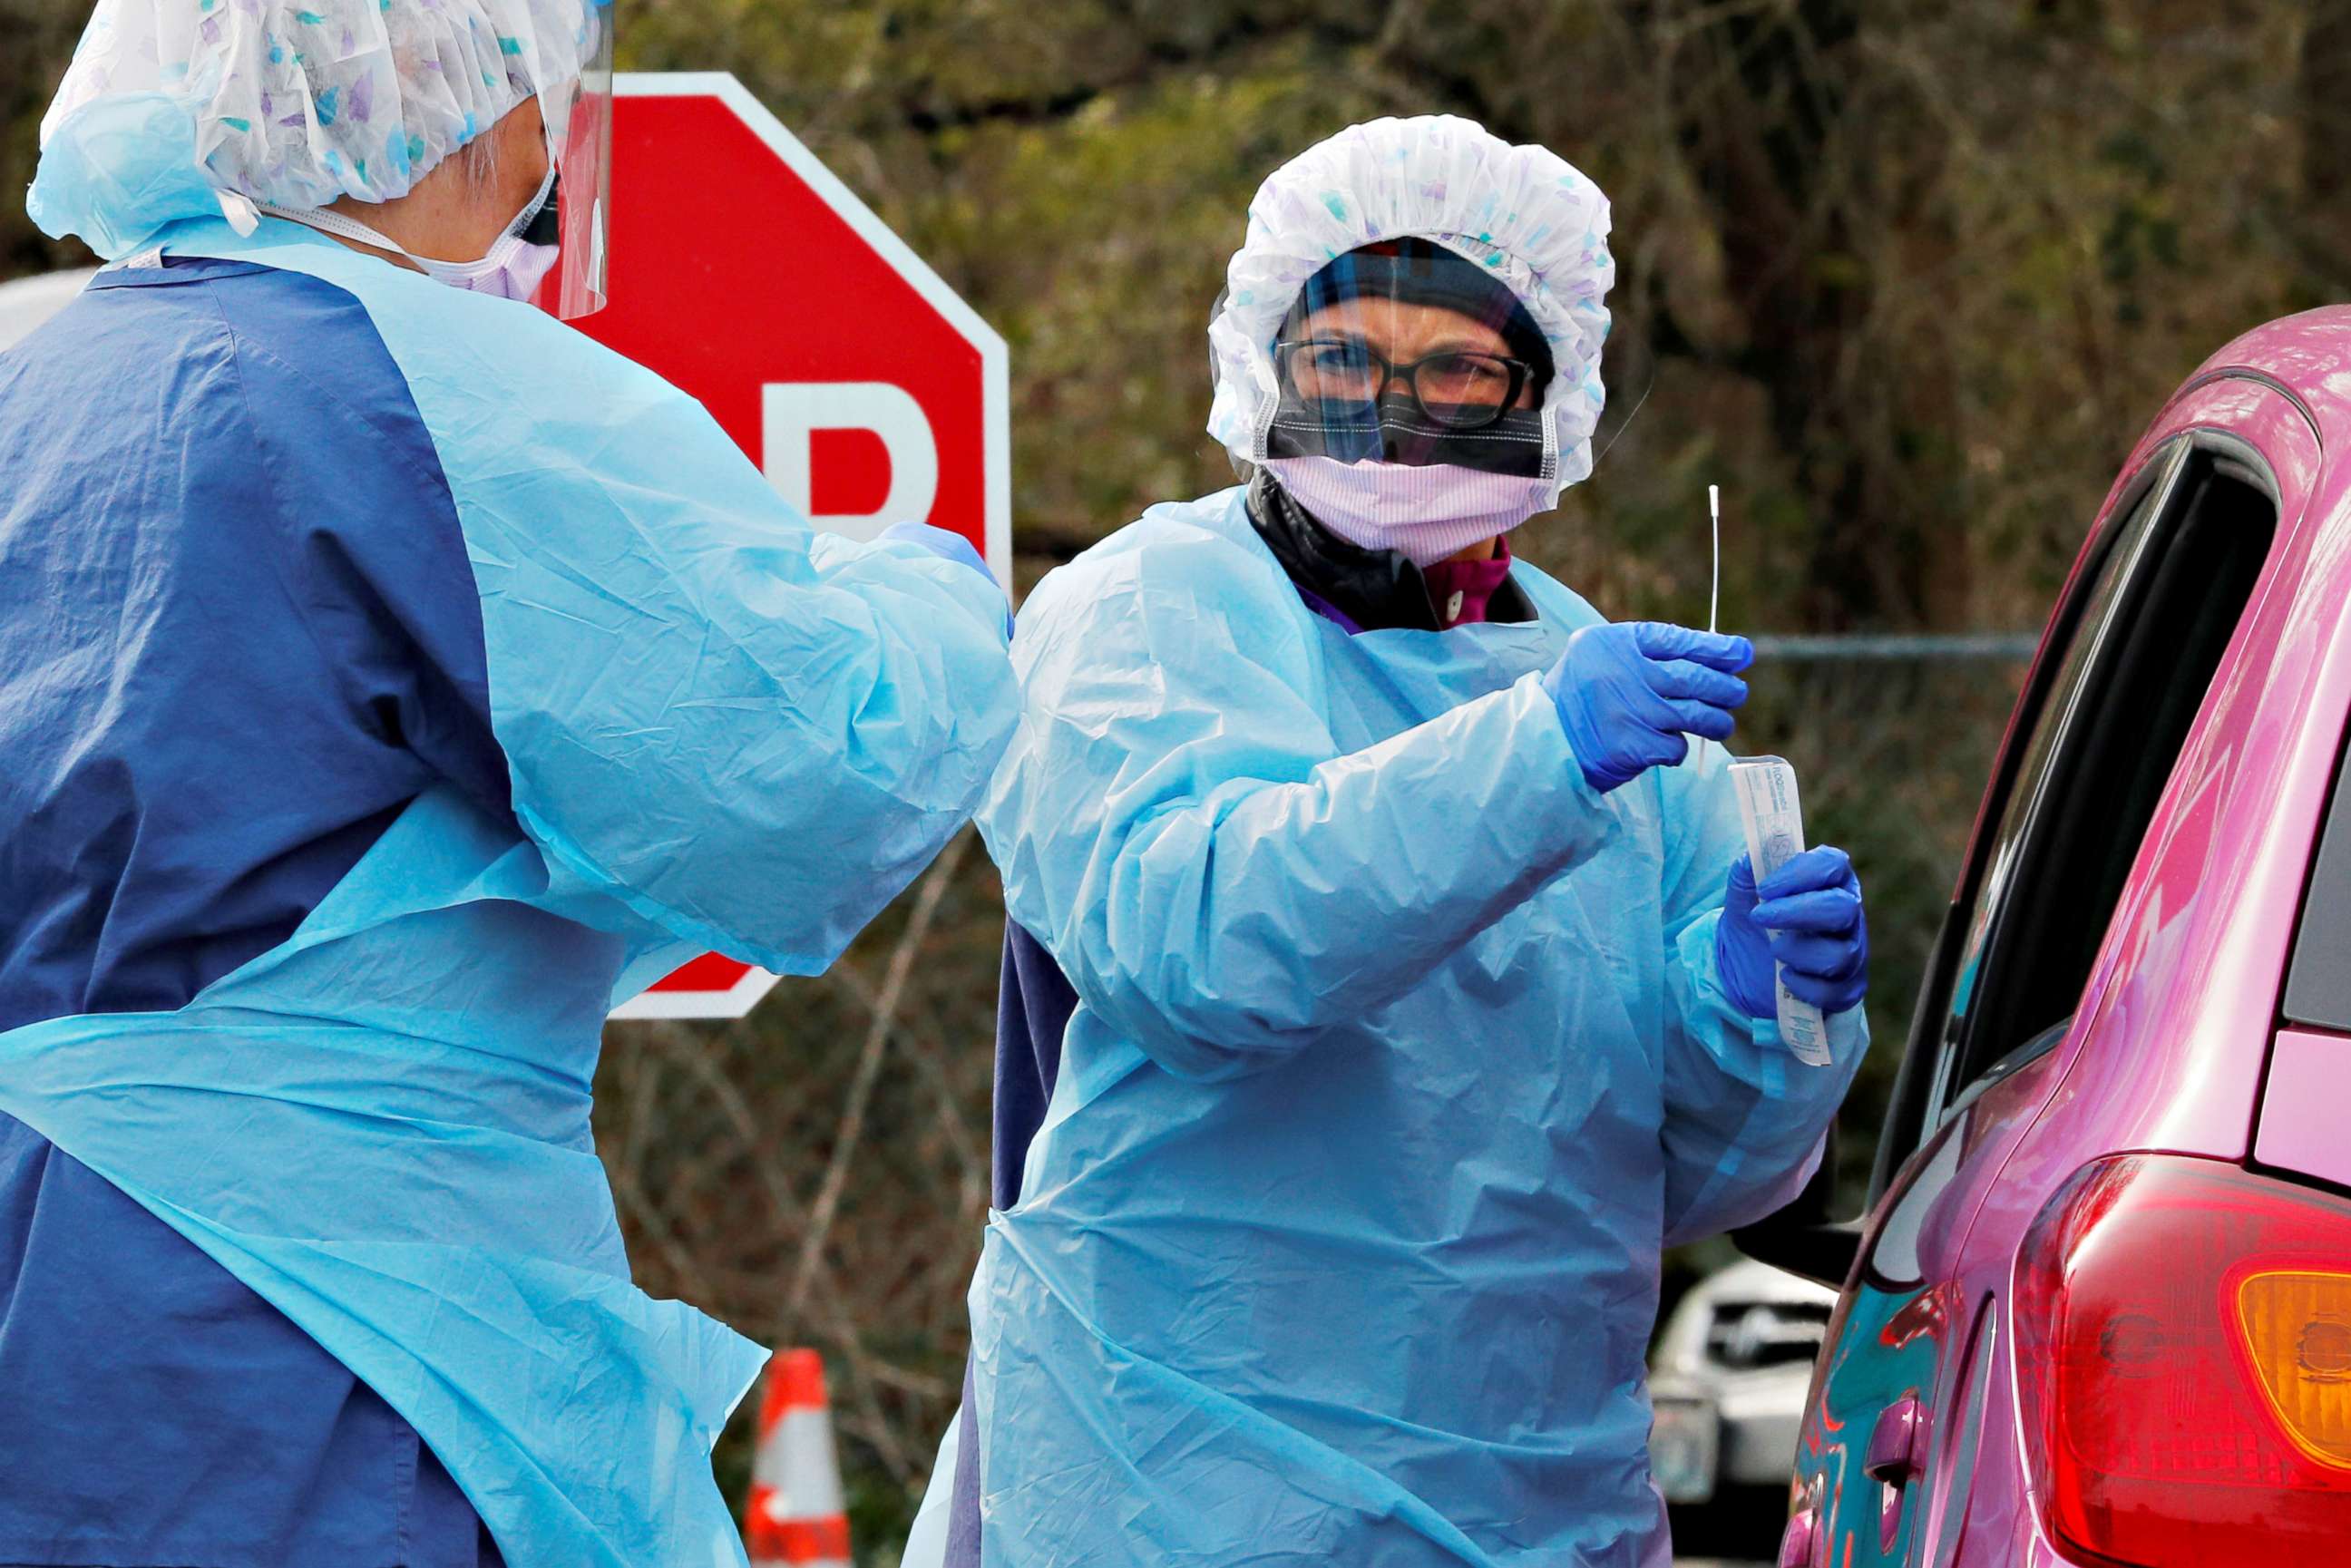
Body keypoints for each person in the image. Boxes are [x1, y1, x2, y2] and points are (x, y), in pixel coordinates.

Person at [0, 3, 1016, 1565]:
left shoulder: (39, 374)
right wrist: (928, 594)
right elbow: (812, 779)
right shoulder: (433, 383)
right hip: (318, 1332)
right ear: (458, 109)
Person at [923, 116, 1871, 1566]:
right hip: (1170, 1483)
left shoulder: (1610, 698)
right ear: (1264, 368)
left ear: (1549, 396)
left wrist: (1757, 1016)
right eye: (1346, 363)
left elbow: (1683, 1179)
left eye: (1460, 371)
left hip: (1535, 1501)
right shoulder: (1146, 613)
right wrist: (1540, 755)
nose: (1399, 413)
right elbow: (1201, 941)